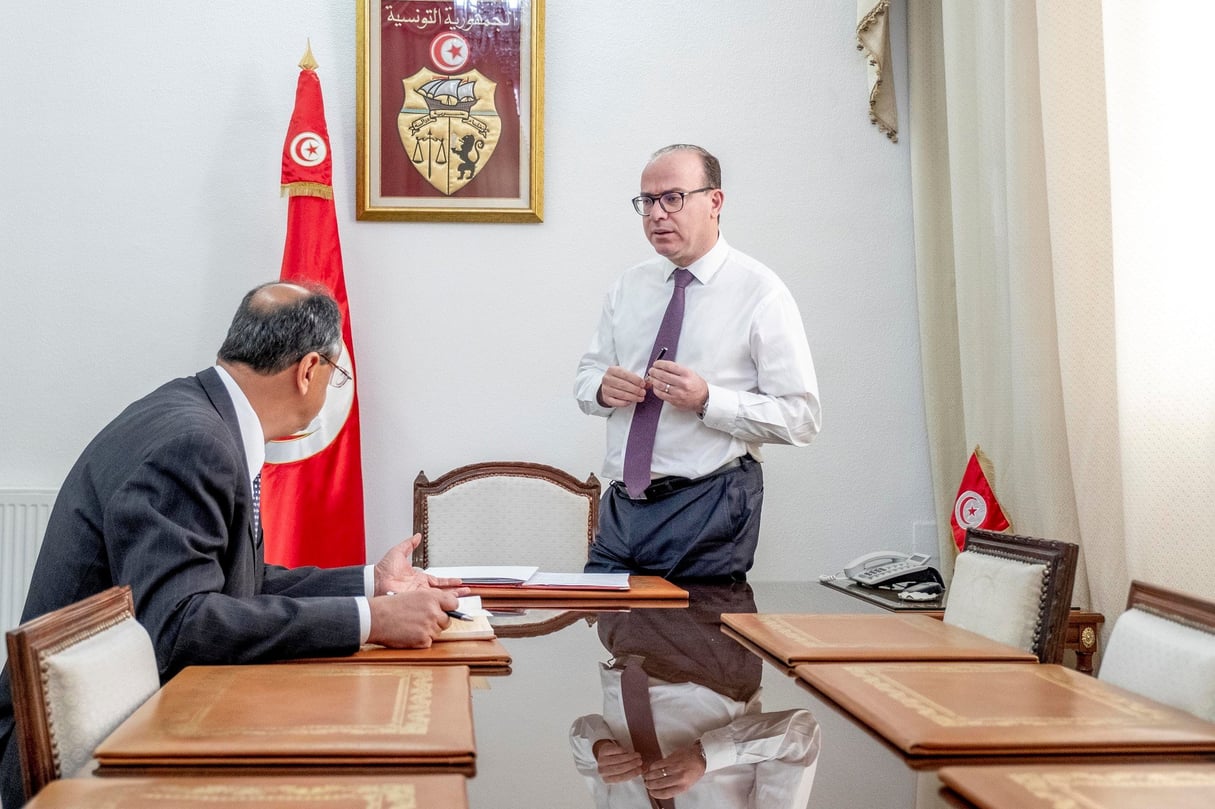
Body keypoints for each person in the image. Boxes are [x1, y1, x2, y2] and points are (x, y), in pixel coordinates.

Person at [0, 282, 463, 808]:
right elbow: (178, 627)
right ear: (308, 370)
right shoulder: (194, 442)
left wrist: (372, 584)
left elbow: (230, 583)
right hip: (90, 767)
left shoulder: (198, 413)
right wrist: (372, 622)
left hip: (137, 725)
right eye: (335, 375)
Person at [574, 144, 821, 580]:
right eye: (647, 202)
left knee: (694, 644)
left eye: (672, 198)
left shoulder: (761, 292)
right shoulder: (628, 287)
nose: (656, 214)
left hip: (708, 500)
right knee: (611, 633)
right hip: (621, 506)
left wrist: (709, 400)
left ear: (715, 202)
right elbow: (586, 377)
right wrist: (600, 389)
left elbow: (801, 418)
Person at [569, 583, 821, 807]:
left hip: (624, 639)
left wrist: (599, 749)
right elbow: (799, 737)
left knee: (616, 541)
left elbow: (581, 734)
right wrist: (705, 756)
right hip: (708, 656)